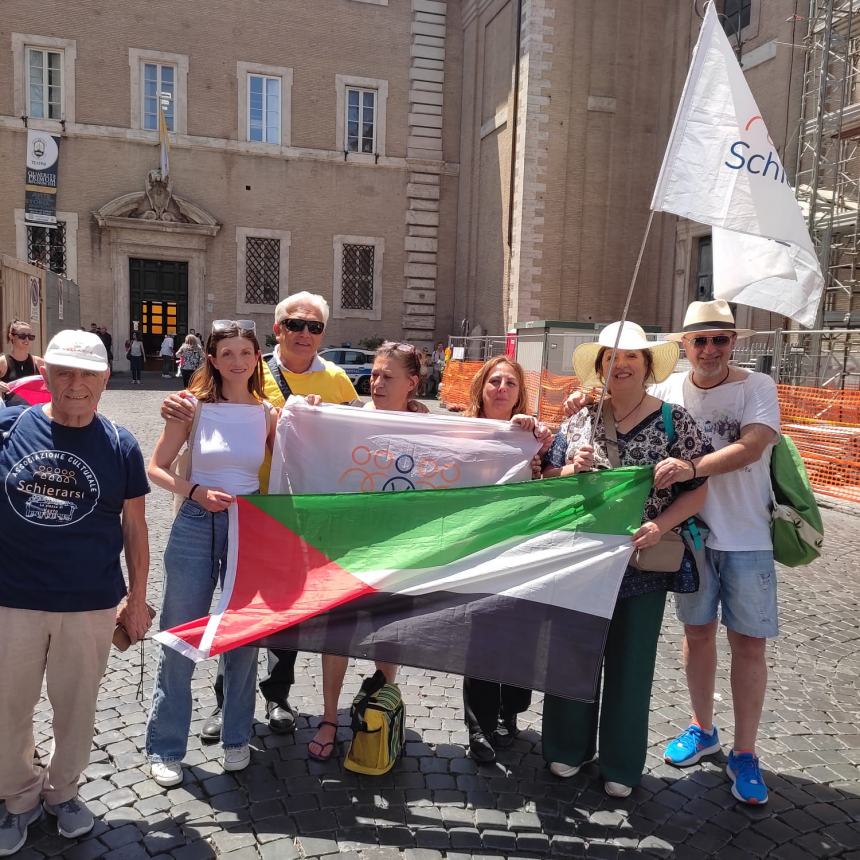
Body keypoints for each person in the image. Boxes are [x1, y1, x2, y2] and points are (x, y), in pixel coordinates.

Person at [160, 292, 359, 742]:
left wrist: (410, 416)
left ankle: (276, 696)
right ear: (278, 328)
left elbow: (354, 437)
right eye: (295, 324)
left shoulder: (339, 380)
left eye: (314, 327)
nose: (304, 333)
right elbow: (190, 410)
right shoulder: (252, 368)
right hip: (225, 509)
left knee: (275, 613)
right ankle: (223, 703)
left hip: (291, 510)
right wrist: (172, 408)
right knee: (223, 618)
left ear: (322, 333)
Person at [542, 321, 711, 798]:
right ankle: (567, 747)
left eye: (631, 358)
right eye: (611, 358)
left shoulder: (675, 421)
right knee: (572, 656)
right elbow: (550, 476)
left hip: (642, 565)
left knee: (631, 665)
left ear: (646, 367)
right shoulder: (579, 420)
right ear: (600, 367)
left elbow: (698, 492)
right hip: (581, 560)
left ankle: (620, 761)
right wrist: (570, 467)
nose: (620, 365)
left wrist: (661, 525)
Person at [0, 331, 151, 855]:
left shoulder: (120, 443)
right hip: (11, 598)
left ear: (106, 380)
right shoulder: (9, 428)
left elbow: (136, 527)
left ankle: (64, 790)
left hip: (89, 602)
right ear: (45, 376)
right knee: (8, 706)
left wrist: (137, 598)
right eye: (64, 372)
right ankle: (17, 797)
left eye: (88, 374)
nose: (76, 384)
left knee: (77, 706)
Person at [648, 301, 781, 805]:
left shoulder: (756, 387)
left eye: (719, 340)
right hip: (693, 536)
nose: (709, 350)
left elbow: (753, 445)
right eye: (699, 340)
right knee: (697, 633)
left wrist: (691, 467)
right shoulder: (667, 389)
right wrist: (578, 400)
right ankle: (703, 728)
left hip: (748, 536)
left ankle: (745, 753)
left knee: (749, 644)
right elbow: (625, 403)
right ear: (685, 345)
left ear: (733, 344)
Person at [145, 319, 277, 788]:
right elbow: (155, 467)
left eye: (246, 352)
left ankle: (237, 737)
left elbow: (298, 461)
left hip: (249, 527)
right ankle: (165, 747)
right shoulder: (192, 408)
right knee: (180, 633)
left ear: (257, 357)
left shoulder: (267, 415)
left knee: (242, 637)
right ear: (213, 360)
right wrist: (195, 491)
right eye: (228, 354)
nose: (237, 361)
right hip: (197, 522)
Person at [307, 341, 424, 761]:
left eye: (386, 376)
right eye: (373, 374)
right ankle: (328, 716)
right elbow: (310, 442)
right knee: (338, 632)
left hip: (401, 548)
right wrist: (311, 412)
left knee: (387, 632)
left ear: (411, 383)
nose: (375, 382)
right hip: (349, 545)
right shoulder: (348, 419)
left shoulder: (429, 426)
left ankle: (381, 704)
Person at [460, 356, 552, 764]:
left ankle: (509, 711)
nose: (501, 388)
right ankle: (478, 724)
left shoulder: (531, 434)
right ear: (481, 388)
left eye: (509, 383)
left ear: (520, 392)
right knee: (481, 636)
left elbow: (552, 474)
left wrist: (539, 438)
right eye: (494, 381)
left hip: (521, 546)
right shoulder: (459, 430)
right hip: (476, 546)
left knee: (519, 633)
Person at [0, 321, 44, 403]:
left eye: (30, 337)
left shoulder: (38, 362)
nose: (27, 339)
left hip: (33, 411)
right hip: (10, 412)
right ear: (11, 336)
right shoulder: (3, 362)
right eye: (22, 336)